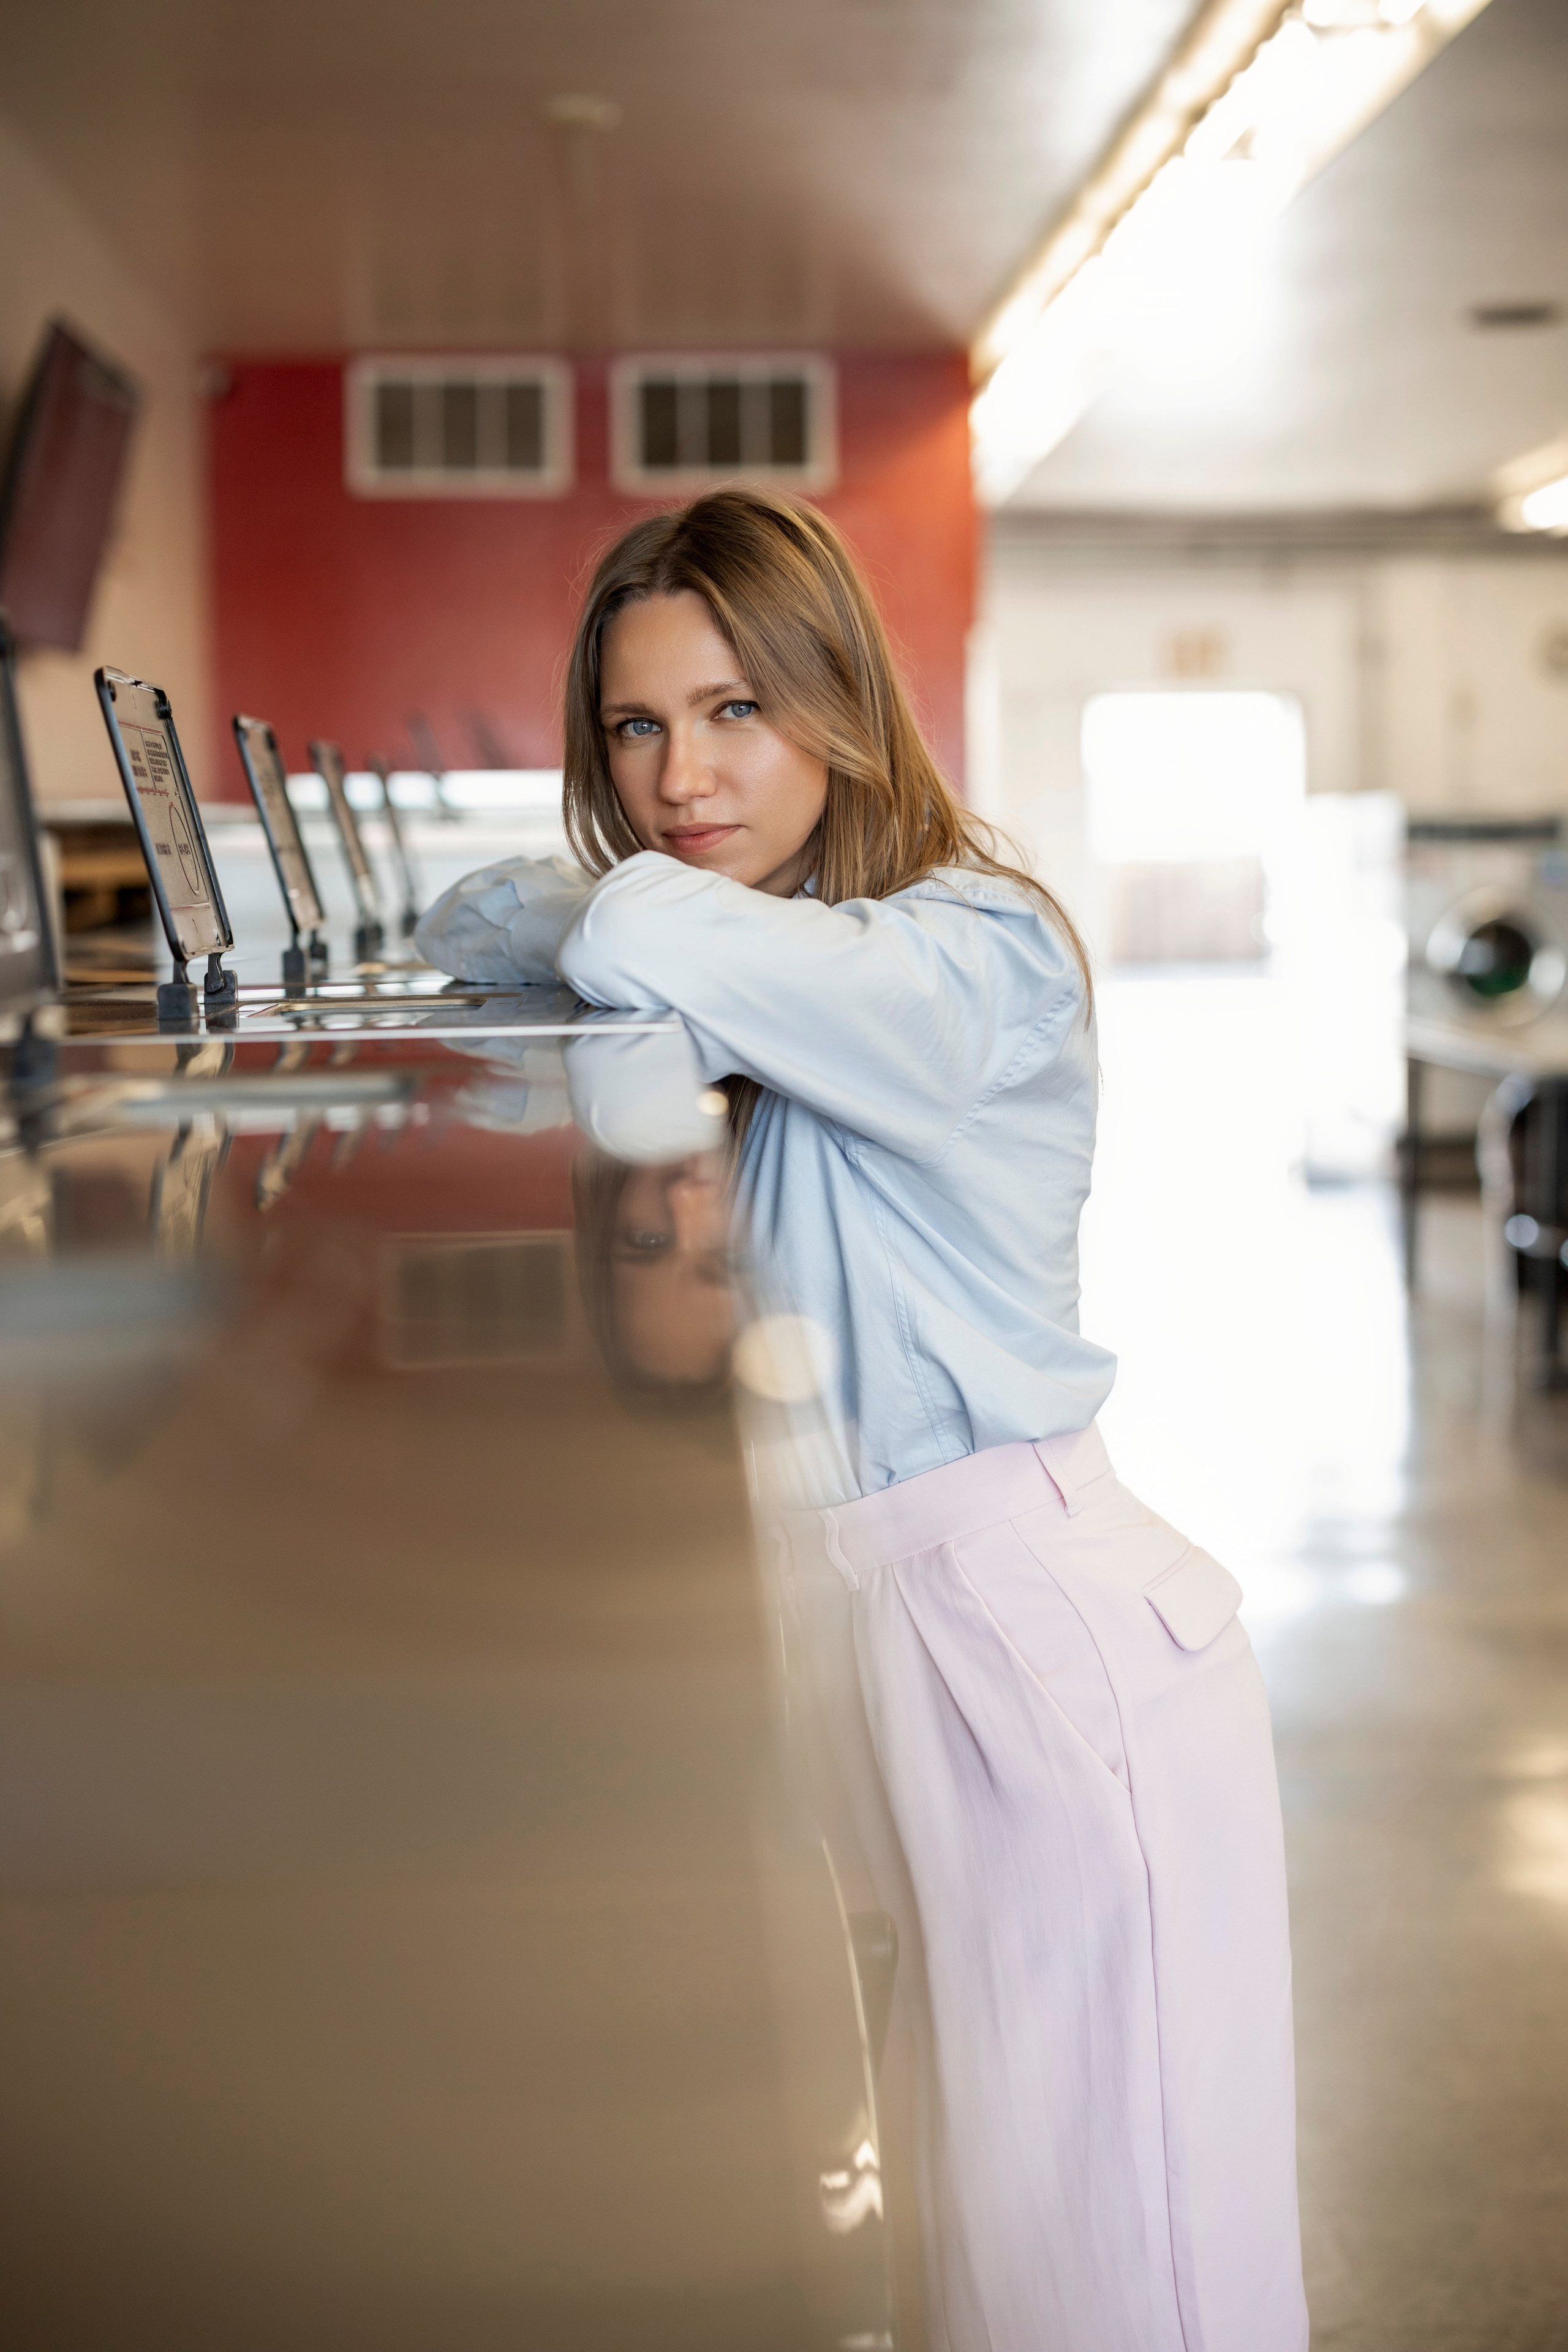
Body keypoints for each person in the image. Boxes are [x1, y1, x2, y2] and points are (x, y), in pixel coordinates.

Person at [416, 488, 1309, 2352]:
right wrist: (626, 904)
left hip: (1042, 1636)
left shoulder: (963, 956)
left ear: (840, 697)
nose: (680, 775)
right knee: (970, 2266)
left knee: (1109, 2276)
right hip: (889, 1621)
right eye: (637, 726)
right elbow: (479, 911)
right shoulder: (762, 953)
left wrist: (629, 905)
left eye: (737, 709)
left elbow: (610, 923)